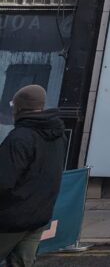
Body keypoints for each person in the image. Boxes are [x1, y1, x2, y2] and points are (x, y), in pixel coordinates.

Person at [0, 85, 67, 267]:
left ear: (18, 108)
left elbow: (3, 181)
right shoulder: (58, 135)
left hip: (11, 219)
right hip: (39, 216)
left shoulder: (20, 137)